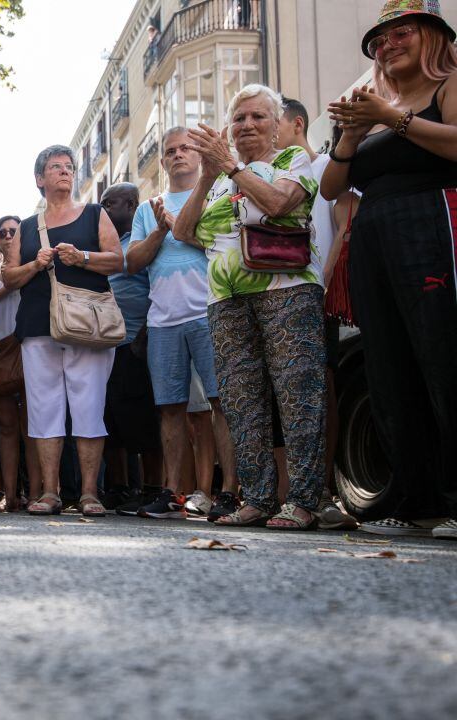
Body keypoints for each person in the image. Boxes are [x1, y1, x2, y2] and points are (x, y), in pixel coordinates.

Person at [321, 1, 457, 539]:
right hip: (374, 232)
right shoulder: (375, 106)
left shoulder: (448, 86)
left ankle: (454, 496)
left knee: (442, 358)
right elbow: (334, 188)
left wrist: (389, 118)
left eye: (401, 33)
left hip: (434, 220)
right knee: (388, 367)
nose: (387, 44)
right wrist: (351, 137)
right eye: (379, 40)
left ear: (432, 37)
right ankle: (413, 496)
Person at [174, 83, 325, 530]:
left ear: (278, 126)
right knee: (242, 399)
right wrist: (208, 174)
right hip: (226, 300)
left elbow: (278, 203)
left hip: (287, 290)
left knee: (298, 396)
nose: (247, 125)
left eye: (259, 116)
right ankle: (257, 498)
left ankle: (302, 500)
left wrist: (234, 167)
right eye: (239, 118)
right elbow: (184, 232)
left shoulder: (291, 161)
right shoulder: (218, 176)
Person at [3, 145, 123, 517]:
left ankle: (90, 494)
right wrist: (35, 266)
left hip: (89, 326)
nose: (65, 171)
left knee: (89, 407)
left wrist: (81, 258)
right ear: (40, 179)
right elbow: (8, 278)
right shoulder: (26, 227)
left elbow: (119, 260)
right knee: (43, 411)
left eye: (69, 167)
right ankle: (50, 492)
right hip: (39, 327)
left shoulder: (94, 214)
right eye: (55, 167)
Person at [124, 128, 238, 520]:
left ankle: (229, 493)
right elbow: (134, 261)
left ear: (199, 153)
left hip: (210, 310)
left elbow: (223, 243)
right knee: (170, 408)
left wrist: (181, 226)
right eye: (170, 151)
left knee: (222, 403)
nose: (178, 155)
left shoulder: (219, 191)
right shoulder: (146, 208)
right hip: (163, 321)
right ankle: (173, 492)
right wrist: (160, 228)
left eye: (185, 148)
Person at [276, 98, 359, 531]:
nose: (265, 131)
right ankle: (288, 493)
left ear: (297, 123)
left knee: (321, 392)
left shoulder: (328, 164)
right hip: (275, 298)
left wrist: (323, 285)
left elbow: (345, 223)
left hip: (315, 297)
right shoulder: (270, 172)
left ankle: (324, 491)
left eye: (273, 122)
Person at [98, 183, 163, 510]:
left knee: (144, 419)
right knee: (111, 419)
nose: (104, 209)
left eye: (110, 203)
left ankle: (153, 487)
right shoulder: (102, 244)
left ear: (132, 205)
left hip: (136, 341)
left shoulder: (142, 243)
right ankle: (119, 487)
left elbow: (158, 286)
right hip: (104, 344)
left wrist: (144, 335)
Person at [0, 215, 40, 512]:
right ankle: (9, 493)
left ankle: (36, 492)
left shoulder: (35, 265)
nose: (7, 236)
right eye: (1, 233)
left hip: (31, 347)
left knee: (33, 426)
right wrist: (9, 281)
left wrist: (23, 272)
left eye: (13, 232)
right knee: (5, 428)